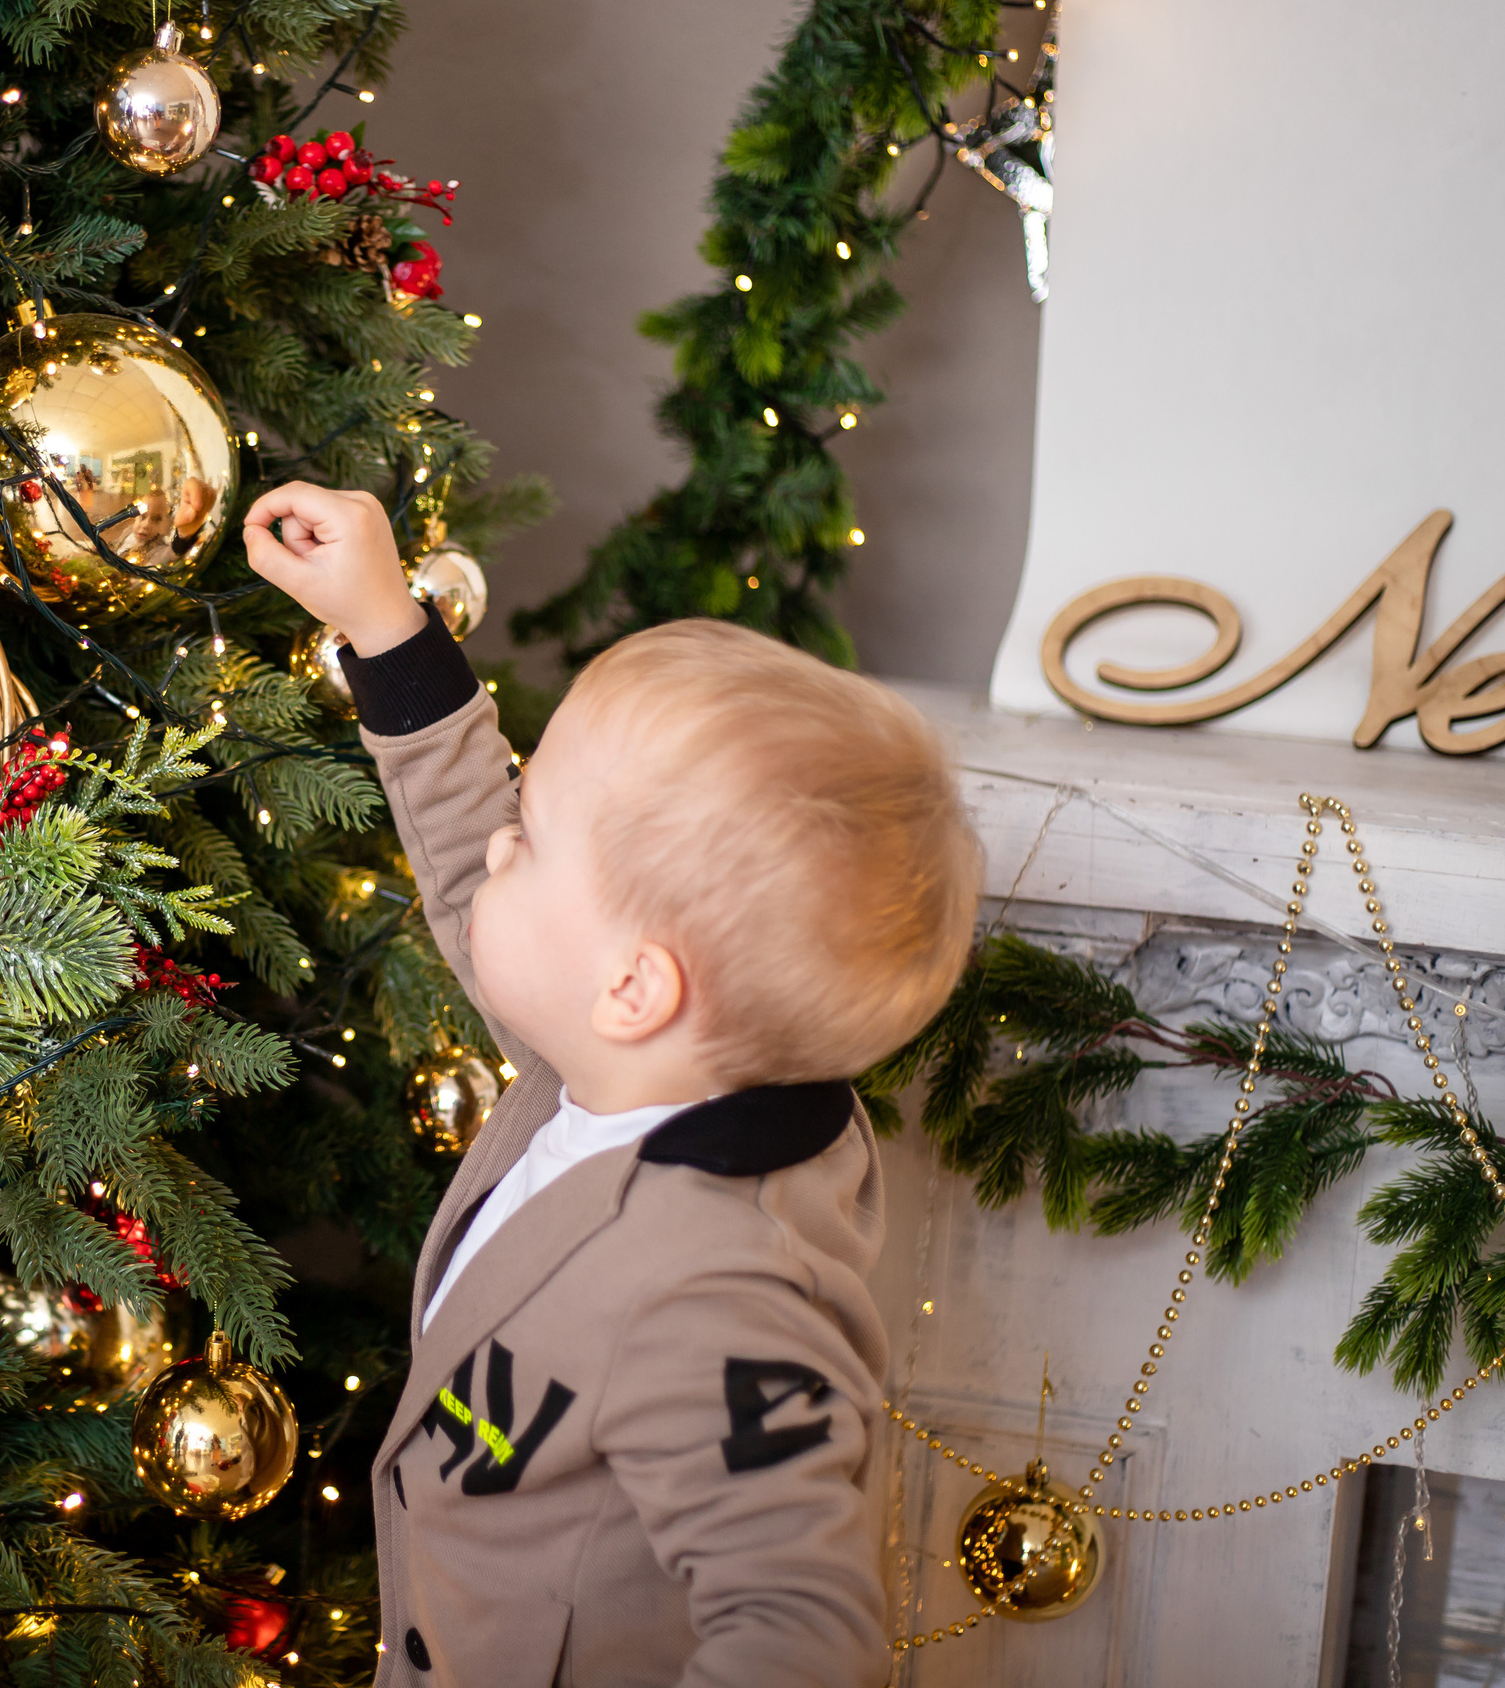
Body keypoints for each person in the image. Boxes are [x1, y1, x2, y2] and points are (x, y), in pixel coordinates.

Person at [242, 484, 981, 1687]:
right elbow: (467, 847)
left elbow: (805, 1632)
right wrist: (383, 621)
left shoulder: (715, 1287)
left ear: (633, 986)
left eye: (529, 841)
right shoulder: (628, 1061)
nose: (496, 848)